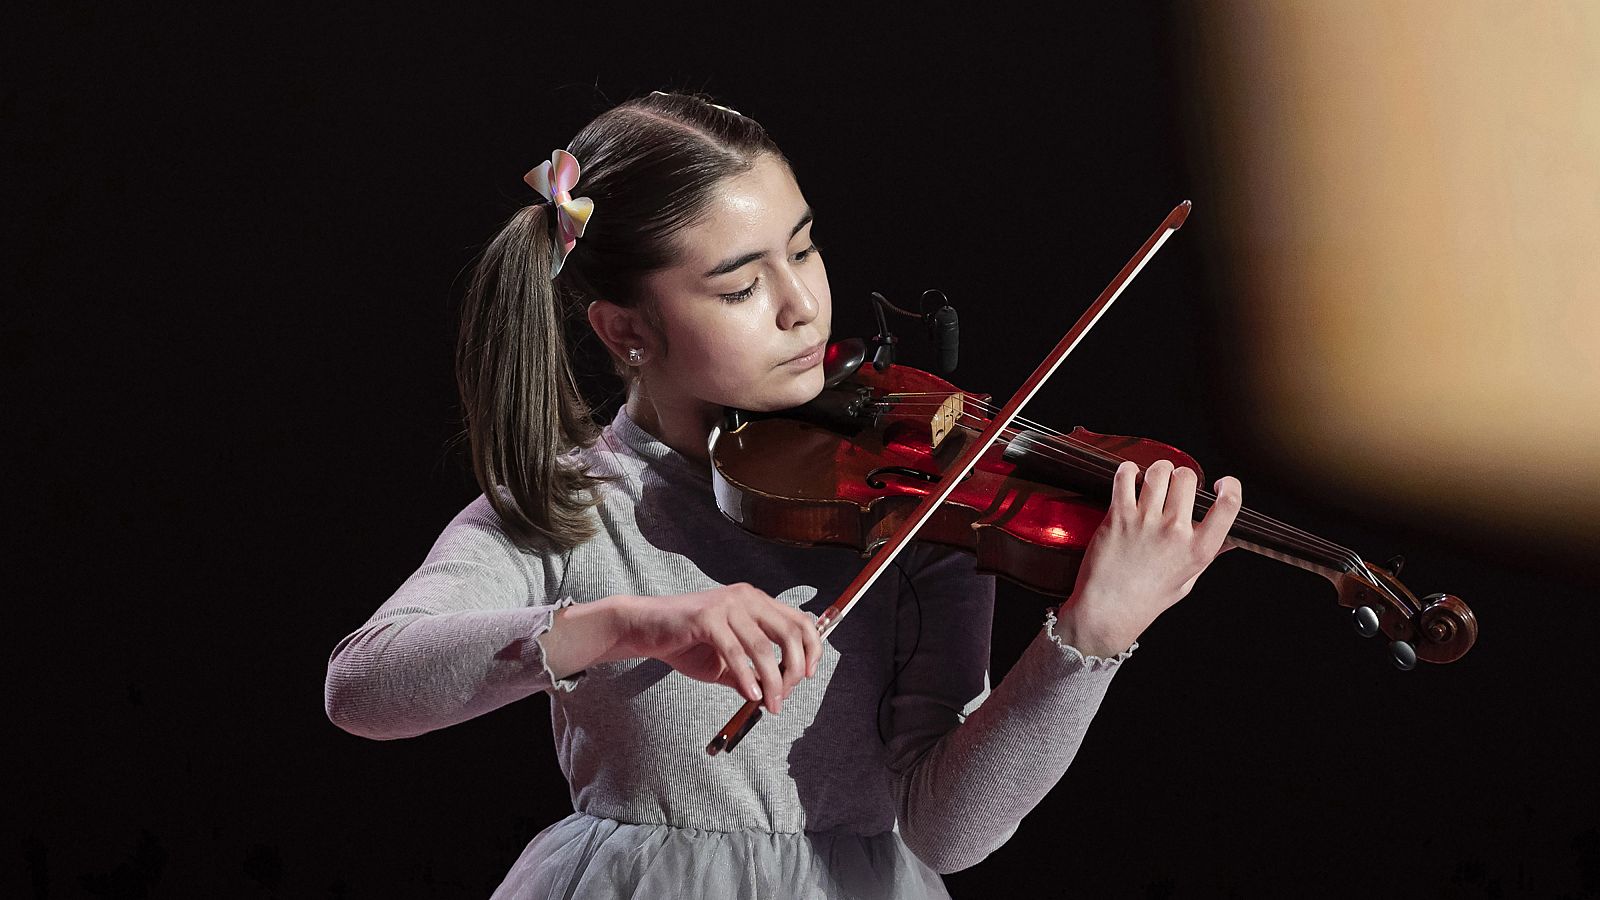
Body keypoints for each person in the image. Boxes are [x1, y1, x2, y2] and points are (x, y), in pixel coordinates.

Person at [323, 91, 1242, 899]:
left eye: (804, 250)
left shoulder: (917, 502)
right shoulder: (570, 506)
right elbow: (364, 685)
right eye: (740, 286)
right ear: (626, 329)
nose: (802, 304)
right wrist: (630, 625)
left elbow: (947, 833)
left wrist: (1089, 640)